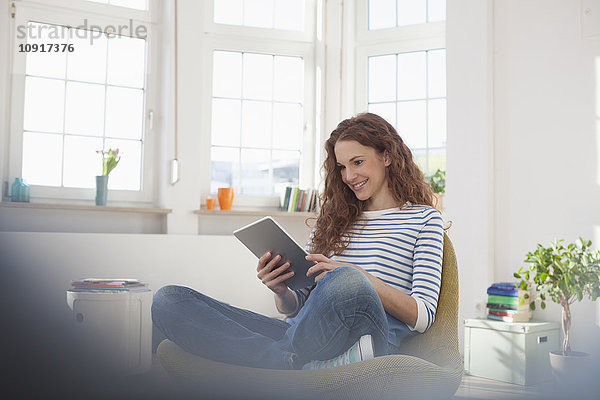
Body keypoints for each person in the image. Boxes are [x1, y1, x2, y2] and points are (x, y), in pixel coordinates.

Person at [152, 112, 444, 370]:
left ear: (387, 156)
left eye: (357, 162)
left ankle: (284, 356)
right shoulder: (336, 219)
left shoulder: (424, 220)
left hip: (368, 337)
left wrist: (359, 277)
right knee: (168, 300)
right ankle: (286, 360)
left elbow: (422, 315)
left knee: (346, 281)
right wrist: (282, 291)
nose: (349, 176)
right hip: (302, 335)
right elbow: (300, 305)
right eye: (341, 167)